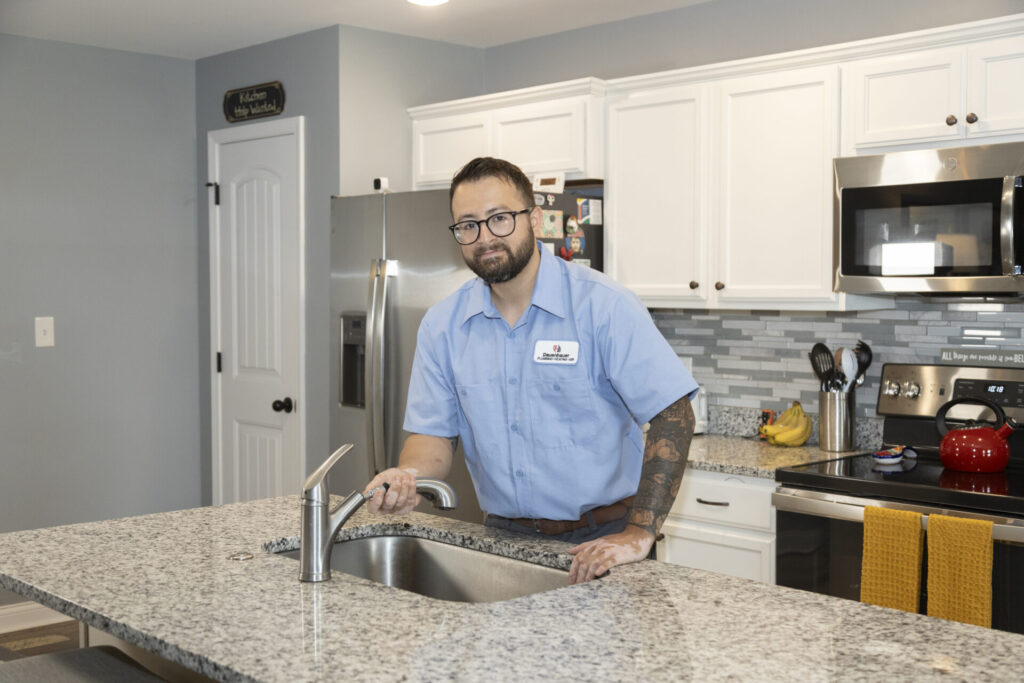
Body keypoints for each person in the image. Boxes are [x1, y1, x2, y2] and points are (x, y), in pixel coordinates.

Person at [363, 157, 699, 584]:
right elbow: (433, 436)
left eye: (500, 218)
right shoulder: (443, 325)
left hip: (603, 541)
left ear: (534, 219)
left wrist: (639, 532)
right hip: (503, 540)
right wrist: (408, 476)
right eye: (468, 225)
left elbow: (674, 414)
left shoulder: (604, 306)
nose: (485, 237)